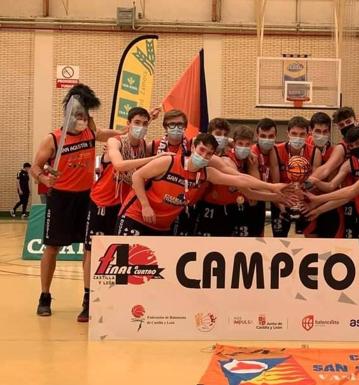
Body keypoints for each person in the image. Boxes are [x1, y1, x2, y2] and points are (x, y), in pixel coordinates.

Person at [29, 84, 120, 317]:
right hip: (60, 199)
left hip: (86, 198)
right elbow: (36, 167)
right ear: (68, 115)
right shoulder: (53, 139)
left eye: (85, 116)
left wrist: (128, 129)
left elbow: (107, 134)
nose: (81, 120)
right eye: (78, 115)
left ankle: (88, 298)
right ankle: (45, 295)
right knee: (51, 247)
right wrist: (44, 178)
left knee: (89, 250)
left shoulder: (90, 133)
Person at [80, 107, 170, 322]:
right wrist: (152, 161)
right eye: (137, 122)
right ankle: (87, 299)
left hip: (126, 205)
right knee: (92, 251)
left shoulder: (147, 146)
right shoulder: (116, 142)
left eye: (145, 123)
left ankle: (117, 298)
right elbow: (119, 165)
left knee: (121, 254)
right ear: (128, 123)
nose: (140, 127)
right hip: (103, 201)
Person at [117, 133, 290, 236]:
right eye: (201, 150)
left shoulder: (207, 174)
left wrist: (273, 188)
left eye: (209, 154)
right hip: (137, 217)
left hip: (163, 225)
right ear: (193, 147)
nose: (204, 156)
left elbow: (241, 179)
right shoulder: (168, 161)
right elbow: (137, 177)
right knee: (125, 271)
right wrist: (146, 206)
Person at [306, 126, 359, 239]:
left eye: (358, 143)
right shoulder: (349, 164)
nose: (355, 147)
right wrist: (315, 181)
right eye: (351, 146)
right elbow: (333, 187)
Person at [271, 116, 322, 237]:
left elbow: (314, 185)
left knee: (309, 241)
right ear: (287, 133)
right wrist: (282, 206)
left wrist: (307, 204)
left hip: (304, 202)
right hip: (281, 200)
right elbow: (275, 184)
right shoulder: (276, 150)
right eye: (294, 133)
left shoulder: (315, 152)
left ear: (307, 134)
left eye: (301, 134)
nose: (297, 138)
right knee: (279, 242)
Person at [304, 112, 346, 238]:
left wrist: (311, 183)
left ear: (329, 132)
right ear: (310, 130)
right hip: (307, 204)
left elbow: (330, 187)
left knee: (332, 250)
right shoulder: (303, 150)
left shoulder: (335, 152)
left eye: (325, 131)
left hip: (329, 206)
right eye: (318, 131)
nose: (321, 135)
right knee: (310, 249)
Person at [249, 118, 280, 236]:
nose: (267, 139)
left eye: (270, 136)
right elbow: (256, 186)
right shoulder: (252, 153)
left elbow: (276, 181)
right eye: (263, 135)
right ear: (257, 135)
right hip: (251, 199)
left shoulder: (276, 151)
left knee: (261, 237)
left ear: (276, 136)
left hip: (268, 196)